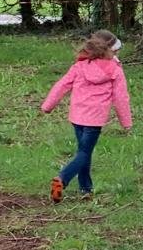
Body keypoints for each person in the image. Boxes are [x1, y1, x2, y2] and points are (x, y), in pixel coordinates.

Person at [40, 30, 132, 201]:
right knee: (84, 153)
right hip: (94, 120)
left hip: (77, 117)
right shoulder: (115, 70)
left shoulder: (79, 66)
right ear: (109, 51)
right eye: (116, 51)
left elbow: (62, 85)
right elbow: (121, 98)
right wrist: (126, 122)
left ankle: (86, 188)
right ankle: (62, 179)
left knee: (83, 152)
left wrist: (48, 106)